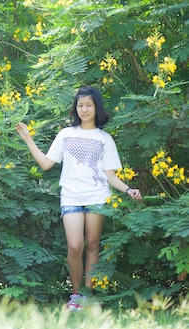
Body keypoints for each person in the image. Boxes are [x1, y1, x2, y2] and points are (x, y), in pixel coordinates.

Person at [16, 86, 142, 310]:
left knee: (93, 244)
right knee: (75, 246)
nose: (84, 109)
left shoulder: (105, 139)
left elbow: (110, 176)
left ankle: (86, 295)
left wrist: (128, 189)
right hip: (71, 196)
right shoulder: (65, 134)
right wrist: (28, 139)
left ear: (96, 108)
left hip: (97, 195)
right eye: (80, 105)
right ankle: (76, 294)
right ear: (76, 108)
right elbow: (46, 164)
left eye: (89, 105)